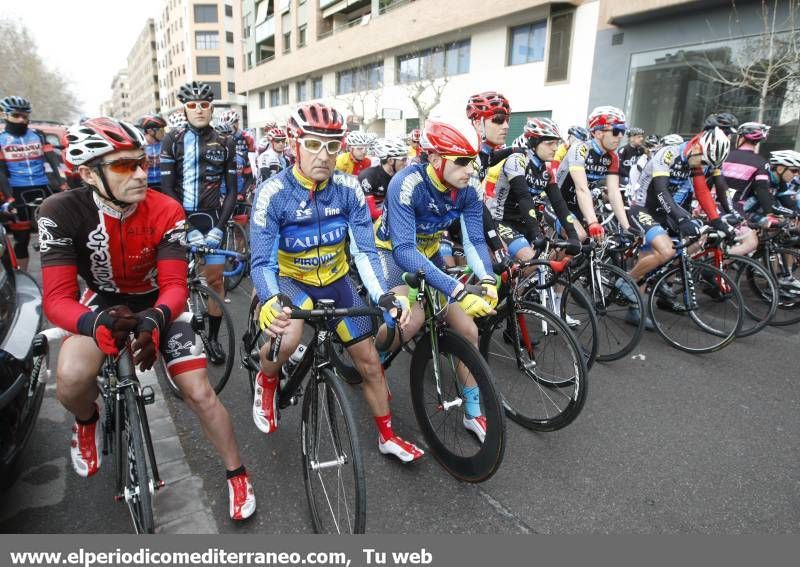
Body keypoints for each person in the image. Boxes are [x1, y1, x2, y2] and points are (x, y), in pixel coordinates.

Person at [38, 117, 255, 520]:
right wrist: (92, 324)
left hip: (160, 301)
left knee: (200, 393)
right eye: (123, 166)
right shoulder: (60, 211)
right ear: (88, 173)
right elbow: (55, 299)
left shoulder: (166, 208)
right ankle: (88, 420)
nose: (141, 173)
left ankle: (237, 474)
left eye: (141, 162)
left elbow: (174, 284)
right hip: (100, 302)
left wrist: (156, 318)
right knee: (70, 378)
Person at [250, 102, 423, 463]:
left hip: (336, 280)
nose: (324, 155)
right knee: (290, 336)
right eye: (313, 144)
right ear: (296, 144)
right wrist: (269, 299)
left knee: (370, 363)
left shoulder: (348, 189)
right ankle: (266, 379)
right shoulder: (273, 192)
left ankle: (388, 436)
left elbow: (365, 250)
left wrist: (384, 295)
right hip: (291, 281)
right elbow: (263, 261)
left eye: (333, 146)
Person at [373, 118, 497, 443]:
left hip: (428, 253)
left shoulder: (467, 190)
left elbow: (473, 241)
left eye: (474, 160)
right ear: (436, 158)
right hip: (391, 252)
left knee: (468, 330)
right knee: (411, 322)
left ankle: (473, 412)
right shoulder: (406, 183)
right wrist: (455, 287)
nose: (471, 169)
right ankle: (374, 361)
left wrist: (487, 279)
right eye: (462, 161)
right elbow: (403, 249)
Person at [160, 81, 237, 364]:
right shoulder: (173, 139)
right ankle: (177, 333)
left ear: (212, 108)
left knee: (215, 280)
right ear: (185, 109)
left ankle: (214, 339)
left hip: (211, 218)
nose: (199, 110)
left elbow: (232, 191)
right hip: (179, 219)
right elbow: (166, 188)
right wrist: (186, 227)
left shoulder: (226, 141)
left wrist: (219, 228)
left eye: (204, 104)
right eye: (192, 105)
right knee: (175, 282)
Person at [626, 128, 734, 317]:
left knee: (690, 243)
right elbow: (661, 190)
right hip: (643, 207)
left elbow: (702, 192)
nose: (702, 165)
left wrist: (717, 221)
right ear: (697, 146)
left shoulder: (695, 159)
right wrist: (682, 218)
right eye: (703, 160)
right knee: (659, 251)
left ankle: (657, 282)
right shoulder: (669, 153)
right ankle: (630, 288)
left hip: (665, 209)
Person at [490, 118, 581, 261]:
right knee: (534, 263)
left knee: (549, 267)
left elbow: (559, 203)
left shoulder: (547, 170)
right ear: (533, 143)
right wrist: (536, 235)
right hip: (500, 221)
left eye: (556, 143)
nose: (555, 148)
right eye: (550, 143)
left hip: (523, 222)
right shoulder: (518, 160)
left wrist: (573, 235)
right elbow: (523, 197)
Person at [0, 96, 67, 270]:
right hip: (17, 190)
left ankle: (58, 274)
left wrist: (61, 184)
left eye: (25, 116)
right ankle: (23, 278)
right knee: (21, 239)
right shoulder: (1, 139)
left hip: (42, 187)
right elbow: (0, 171)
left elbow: (52, 160)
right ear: (4, 115)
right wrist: (8, 197)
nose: (22, 119)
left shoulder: (38, 135)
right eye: (16, 115)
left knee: (53, 233)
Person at [555, 105, 634, 242]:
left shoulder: (613, 157)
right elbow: (581, 188)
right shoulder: (581, 149)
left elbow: (614, 193)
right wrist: (593, 222)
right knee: (579, 236)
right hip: (557, 203)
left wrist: (627, 227)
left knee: (591, 249)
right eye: (616, 131)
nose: (621, 136)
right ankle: (546, 264)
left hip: (578, 207)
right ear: (598, 133)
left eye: (623, 131)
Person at [358, 138, 409, 220]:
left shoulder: (401, 177)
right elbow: (372, 214)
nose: (406, 163)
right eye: (403, 159)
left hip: (385, 215)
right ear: (390, 161)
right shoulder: (368, 177)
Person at [219, 109, 256, 184]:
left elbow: (253, 160)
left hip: (243, 168)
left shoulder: (247, 137)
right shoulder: (219, 137)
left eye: (236, 122)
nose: (237, 124)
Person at [136, 114, 167, 191]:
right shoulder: (139, 147)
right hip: (146, 184)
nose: (164, 133)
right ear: (150, 131)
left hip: (163, 183)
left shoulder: (165, 144)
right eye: (161, 130)